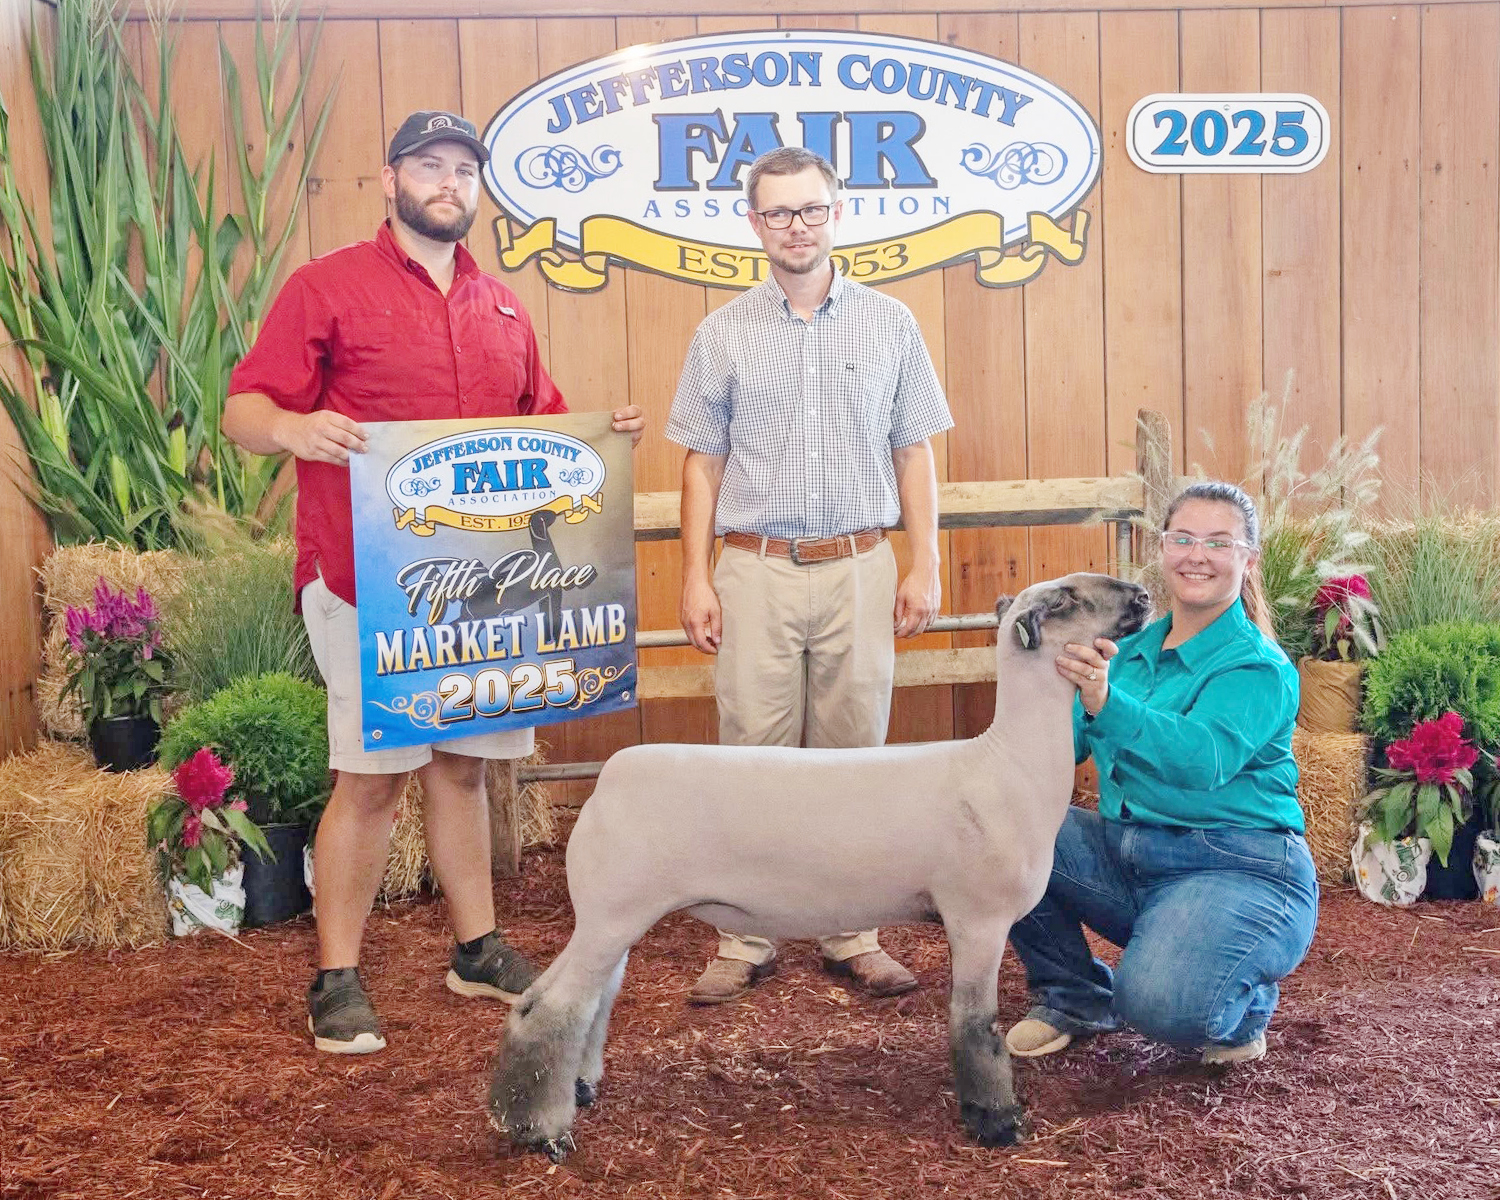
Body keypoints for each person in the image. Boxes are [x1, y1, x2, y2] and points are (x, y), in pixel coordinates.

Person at [223, 110, 645, 1054]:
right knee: (370, 782)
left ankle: (477, 949)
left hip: (483, 588)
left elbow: (542, 431)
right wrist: (292, 430)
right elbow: (242, 408)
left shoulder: (503, 308)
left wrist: (601, 434)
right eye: (429, 165)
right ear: (390, 178)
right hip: (367, 583)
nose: (448, 182)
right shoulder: (325, 287)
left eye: (464, 169)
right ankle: (336, 974)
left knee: (463, 768)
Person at [665, 147, 954, 1005]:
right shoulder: (721, 332)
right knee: (750, 756)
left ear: (838, 212)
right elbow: (700, 466)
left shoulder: (891, 324)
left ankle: (851, 932)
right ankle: (744, 935)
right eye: (779, 213)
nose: (797, 227)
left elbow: (915, 451)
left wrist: (923, 562)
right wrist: (695, 575)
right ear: (753, 223)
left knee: (853, 758)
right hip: (752, 567)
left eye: (811, 210)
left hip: (861, 566)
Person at [1004, 480, 1318, 1064]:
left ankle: (1242, 1004)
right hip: (1128, 852)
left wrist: (1104, 702)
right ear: (1163, 547)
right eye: (1184, 538)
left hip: (1237, 865)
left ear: (1248, 559)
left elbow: (1202, 761)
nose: (1197, 555)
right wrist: (1042, 677)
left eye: (1219, 543)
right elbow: (1062, 747)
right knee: (1007, 830)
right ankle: (1072, 995)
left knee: (1161, 1006)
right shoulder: (1126, 652)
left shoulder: (1258, 666)